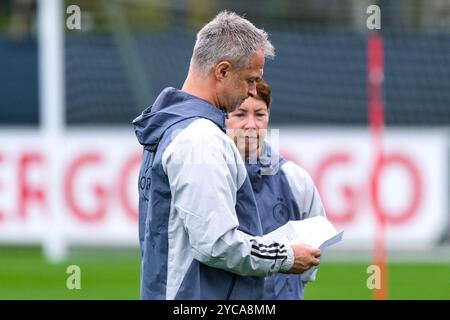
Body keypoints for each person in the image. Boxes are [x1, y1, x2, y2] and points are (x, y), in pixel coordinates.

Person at [132, 10, 321, 300]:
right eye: (249, 80)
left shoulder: (170, 128)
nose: (252, 91)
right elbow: (218, 244)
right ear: (222, 71)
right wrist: (286, 257)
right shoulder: (200, 139)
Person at [226, 79, 327, 300]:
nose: (251, 125)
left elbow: (315, 245)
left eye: (259, 114)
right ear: (224, 117)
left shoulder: (295, 179)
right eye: (240, 114)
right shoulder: (210, 177)